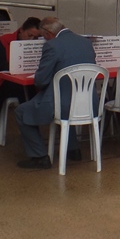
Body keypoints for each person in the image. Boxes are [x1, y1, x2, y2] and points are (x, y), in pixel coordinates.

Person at [14, 17, 97, 169]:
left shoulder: (52, 46)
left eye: (42, 36)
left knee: (21, 111)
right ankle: (74, 150)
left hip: (62, 104)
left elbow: (41, 81)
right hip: (88, 104)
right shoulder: (86, 43)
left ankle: (39, 156)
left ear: (48, 32)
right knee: (68, 102)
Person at [0, 17, 43, 149]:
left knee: (29, 100)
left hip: (27, 82)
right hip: (5, 81)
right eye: (30, 35)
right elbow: (0, 64)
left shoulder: (40, 45)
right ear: (21, 30)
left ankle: (32, 136)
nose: (31, 40)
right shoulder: (5, 40)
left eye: (36, 37)